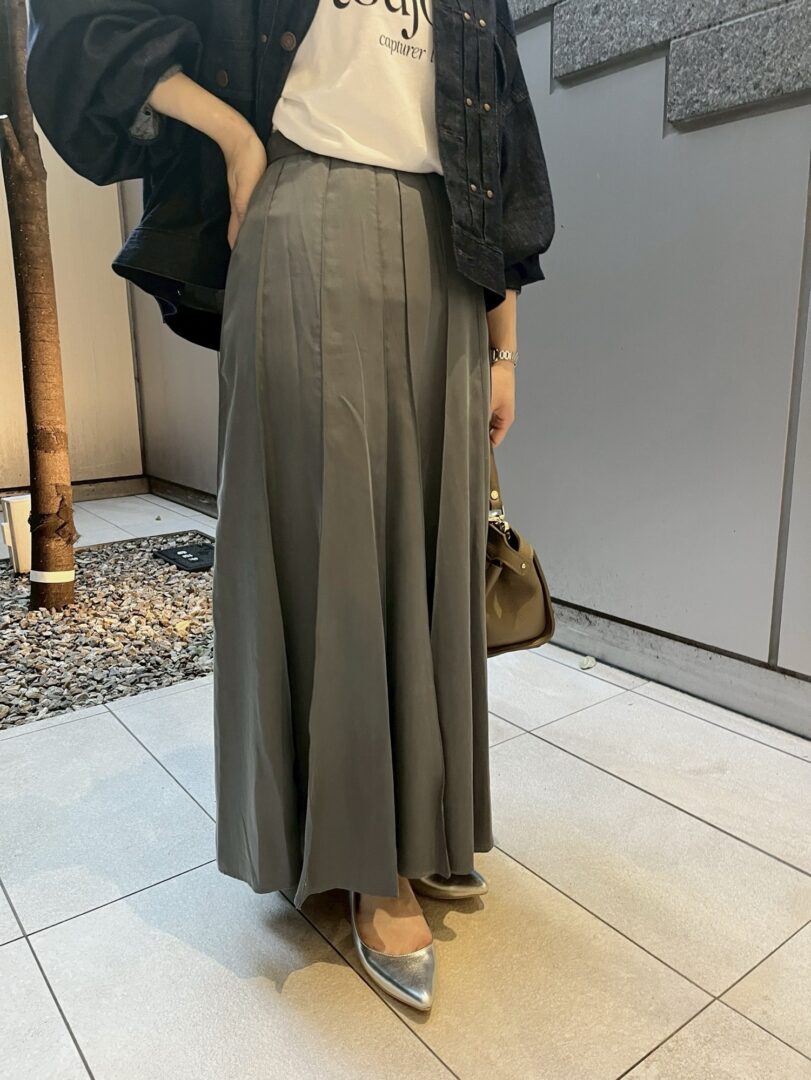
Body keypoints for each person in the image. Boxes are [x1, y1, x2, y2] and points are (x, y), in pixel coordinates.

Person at [26, 0, 555, 1013]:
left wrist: (506, 343)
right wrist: (233, 137)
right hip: (306, 208)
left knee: (428, 542)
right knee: (335, 543)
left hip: (448, 253)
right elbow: (84, 26)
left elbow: (503, 144)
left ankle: (425, 823)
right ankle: (367, 862)